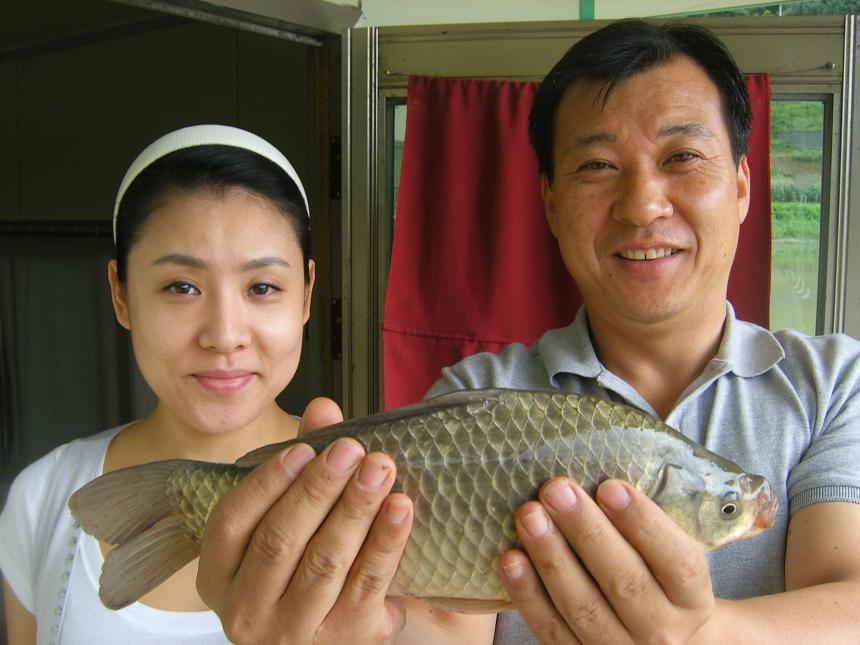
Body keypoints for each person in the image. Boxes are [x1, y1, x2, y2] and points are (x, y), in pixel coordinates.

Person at [195, 19, 860, 644]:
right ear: (550, 201)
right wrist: (351, 624)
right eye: (597, 165)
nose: (642, 205)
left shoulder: (833, 385)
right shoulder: (482, 392)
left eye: (682, 155)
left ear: (742, 186)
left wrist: (701, 634)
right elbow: (445, 623)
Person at [0, 124, 351, 643]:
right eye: (182, 287)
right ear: (120, 294)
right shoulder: (43, 499)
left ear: (305, 295)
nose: (224, 336)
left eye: (262, 287)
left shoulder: (371, 494)